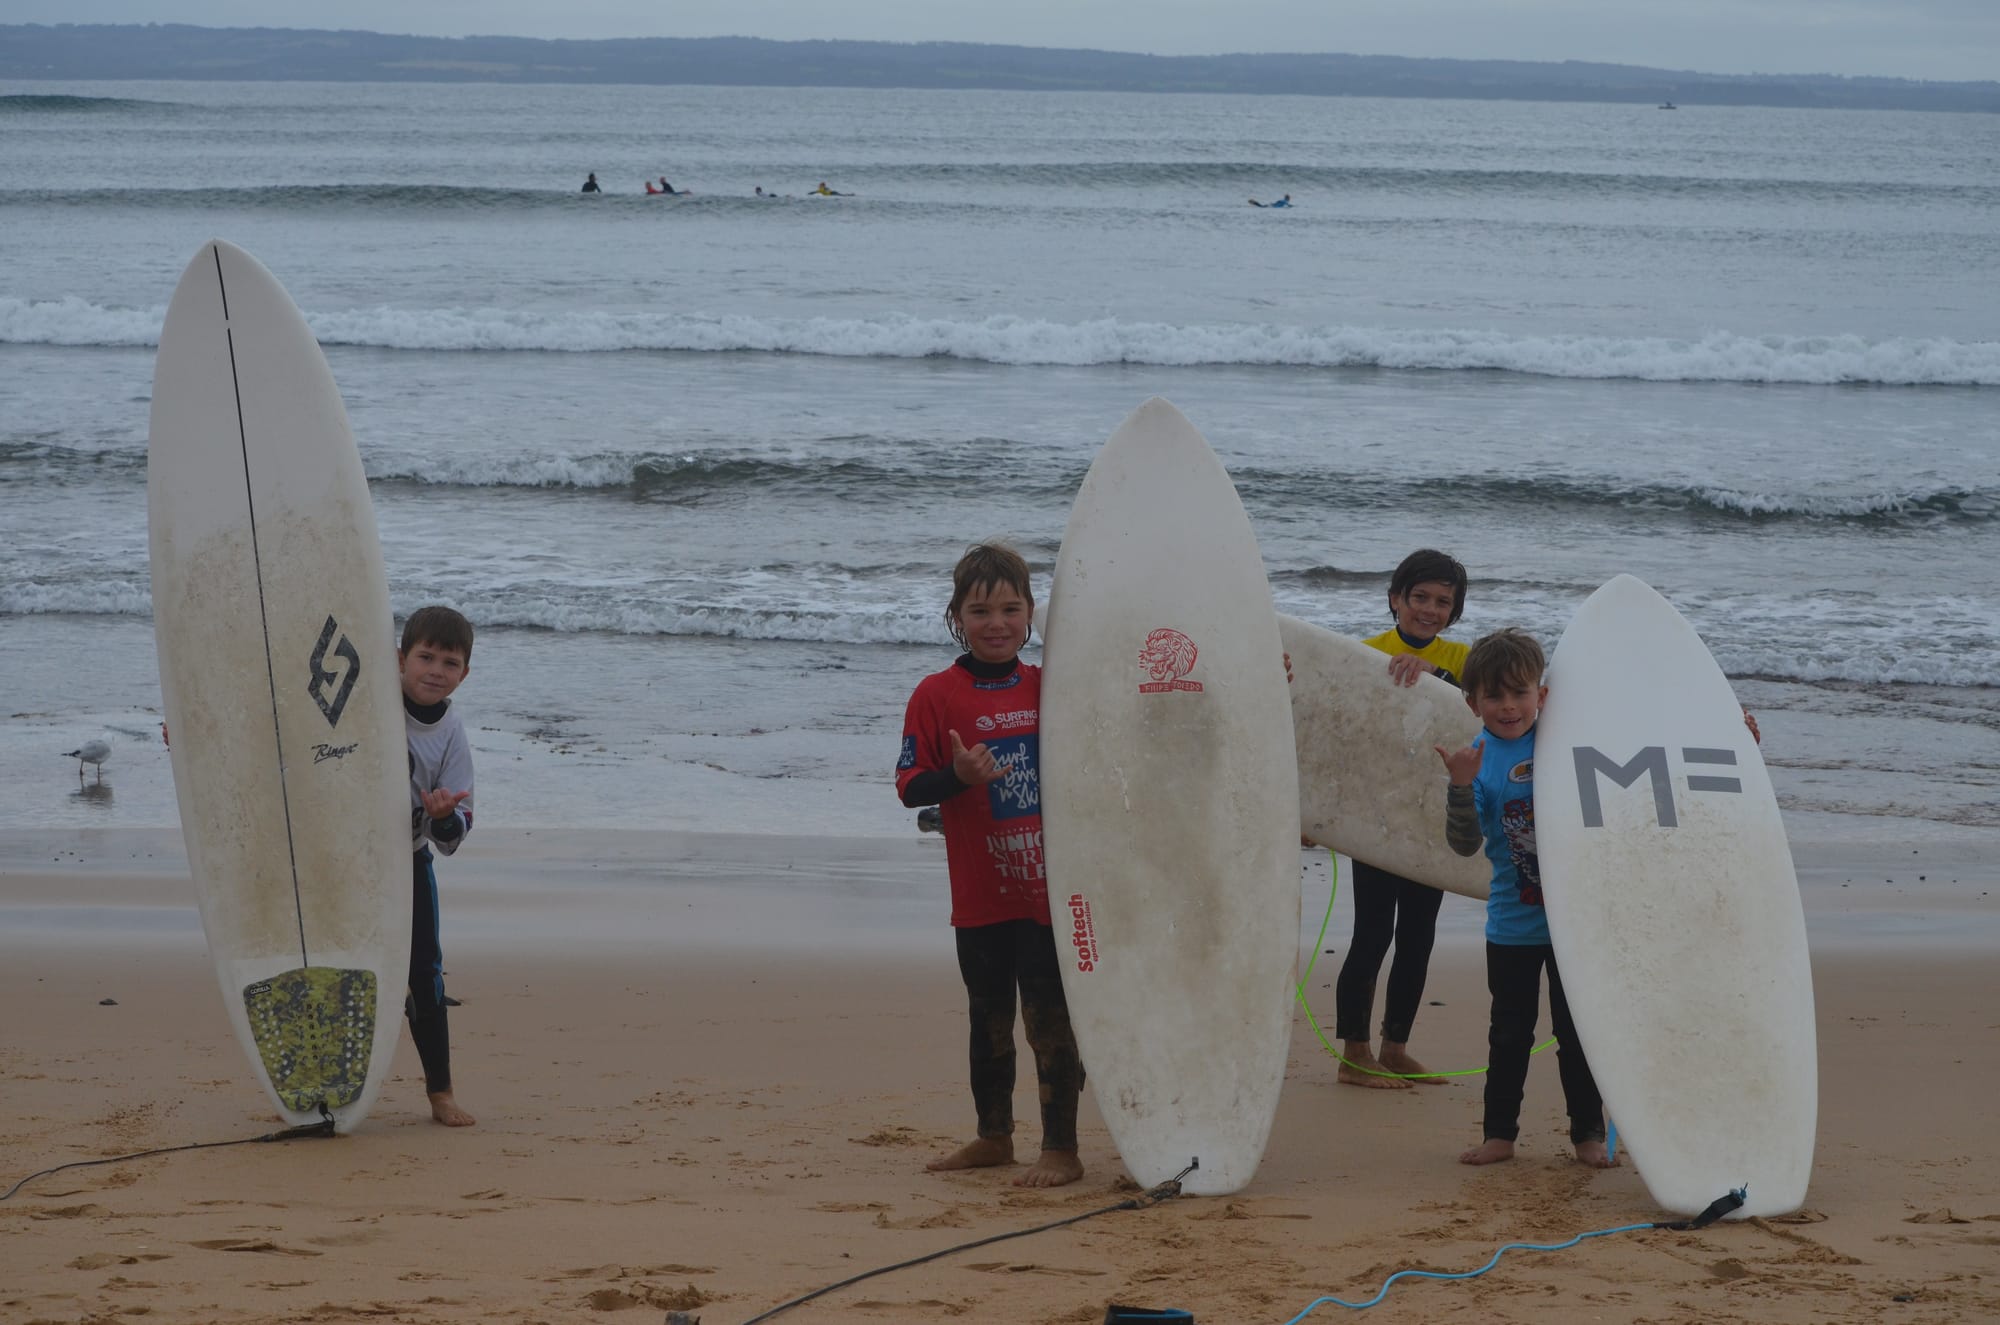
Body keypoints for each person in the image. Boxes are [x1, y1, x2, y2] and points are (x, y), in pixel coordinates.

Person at [895, 543, 1084, 1188]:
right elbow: (911, 788)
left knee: (1051, 1022)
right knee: (988, 1018)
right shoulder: (935, 695)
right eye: (980, 610)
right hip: (980, 894)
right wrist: (958, 776)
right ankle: (993, 1136)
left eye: (1010, 608)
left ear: (1032, 614)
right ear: (956, 616)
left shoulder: (1051, 685)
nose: (996, 622)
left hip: (1051, 895)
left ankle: (1061, 1147)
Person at [1436, 627, 1611, 1167]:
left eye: (1519, 693)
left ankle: (1588, 1135)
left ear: (1543, 694)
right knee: (1509, 1034)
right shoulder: (1477, 760)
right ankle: (1500, 1136)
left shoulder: (1571, 741)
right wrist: (1460, 787)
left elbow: (1648, 773)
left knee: (1576, 1034)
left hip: (1574, 923)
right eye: (1494, 696)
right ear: (1472, 702)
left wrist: (1734, 741)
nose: (1508, 707)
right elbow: (1464, 846)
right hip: (1512, 923)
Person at [1331, 549, 1469, 1090]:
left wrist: (1438, 674)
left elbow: (1491, 702)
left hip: (1428, 817)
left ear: (1453, 612)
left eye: (1443, 602)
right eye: (1419, 598)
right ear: (1396, 600)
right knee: (1371, 934)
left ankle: (1395, 1047)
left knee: (1418, 936)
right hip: (1375, 816)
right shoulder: (1364, 654)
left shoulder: (1464, 657)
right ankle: (1354, 1054)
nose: (1429, 609)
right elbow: (1337, 727)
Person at [400, 605, 478, 1127]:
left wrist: (444, 818)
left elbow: (456, 832)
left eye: (449, 663)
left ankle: (440, 1093)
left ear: (464, 674)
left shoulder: (450, 733)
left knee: (425, 975)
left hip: (406, 861)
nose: (436, 670)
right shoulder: (359, 702)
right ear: (400, 659)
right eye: (425, 657)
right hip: (337, 862)